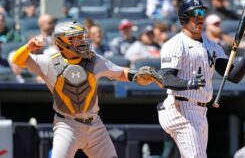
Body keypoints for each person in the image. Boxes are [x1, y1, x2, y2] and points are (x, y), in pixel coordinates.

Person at [11, 20, 160, 157]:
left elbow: (120, 72)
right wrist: (29, 47)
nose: (82, 41)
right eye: (76, 38)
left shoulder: (95, 60)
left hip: (94, 123)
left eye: (82, 37)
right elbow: (17, 60)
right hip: (67, 125)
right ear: (62, 41)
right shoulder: (48, 62)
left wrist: (137, 76)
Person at [157, 0, 245, 158]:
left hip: (200, 110)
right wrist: (188, 83)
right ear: (184, 18)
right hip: (180, 107)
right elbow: (166, 79)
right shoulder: (175, 44)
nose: (200, 16)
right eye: (195, 13)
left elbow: (233, 76)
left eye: (202, 12)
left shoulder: (212, 46)